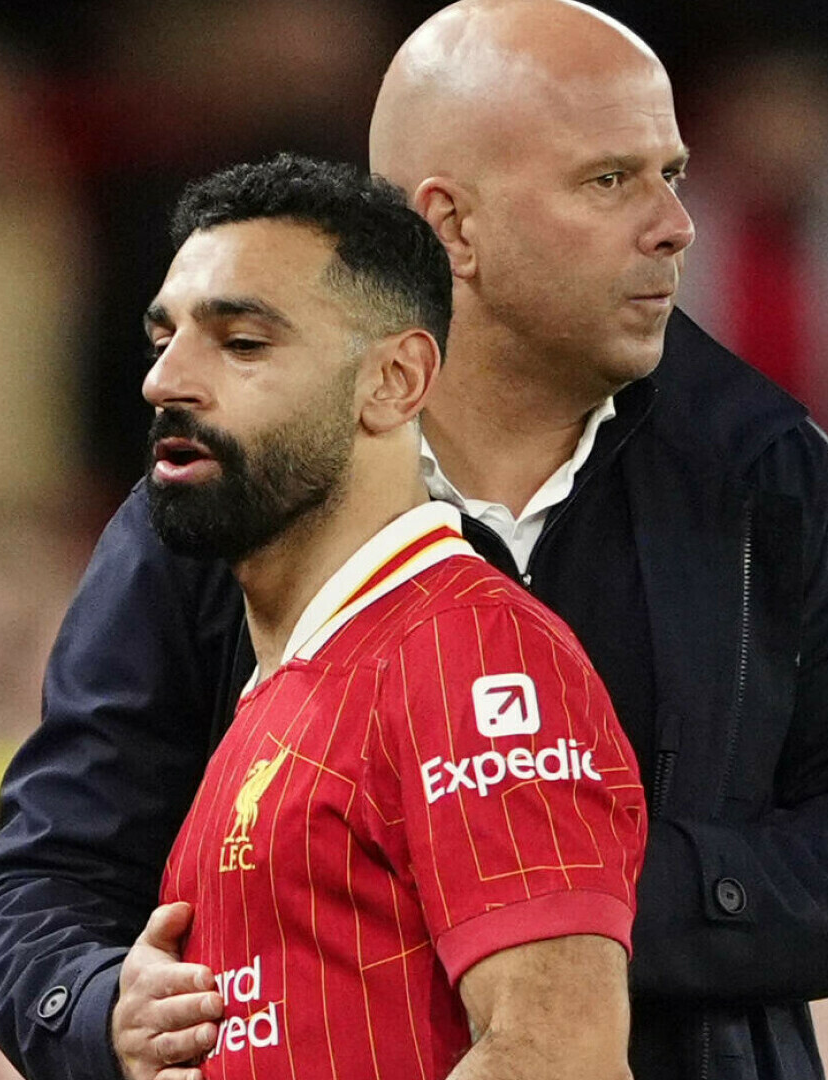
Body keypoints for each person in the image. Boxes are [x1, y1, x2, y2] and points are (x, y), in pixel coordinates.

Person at [0, 3, 828, 1079]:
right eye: (610, 181)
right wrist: (100, 1004)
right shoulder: (235, 483)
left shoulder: (756, 466)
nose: (677, 225)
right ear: (449, 226)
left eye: (672, 175)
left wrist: (578, 892)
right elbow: (45, 879)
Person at [134, 153, 645, 1078]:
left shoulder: (474, 655)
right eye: (163, 338)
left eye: (241, 343)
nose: (166, 381)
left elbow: (559, 1057)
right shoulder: (286, 689)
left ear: (396, 380)